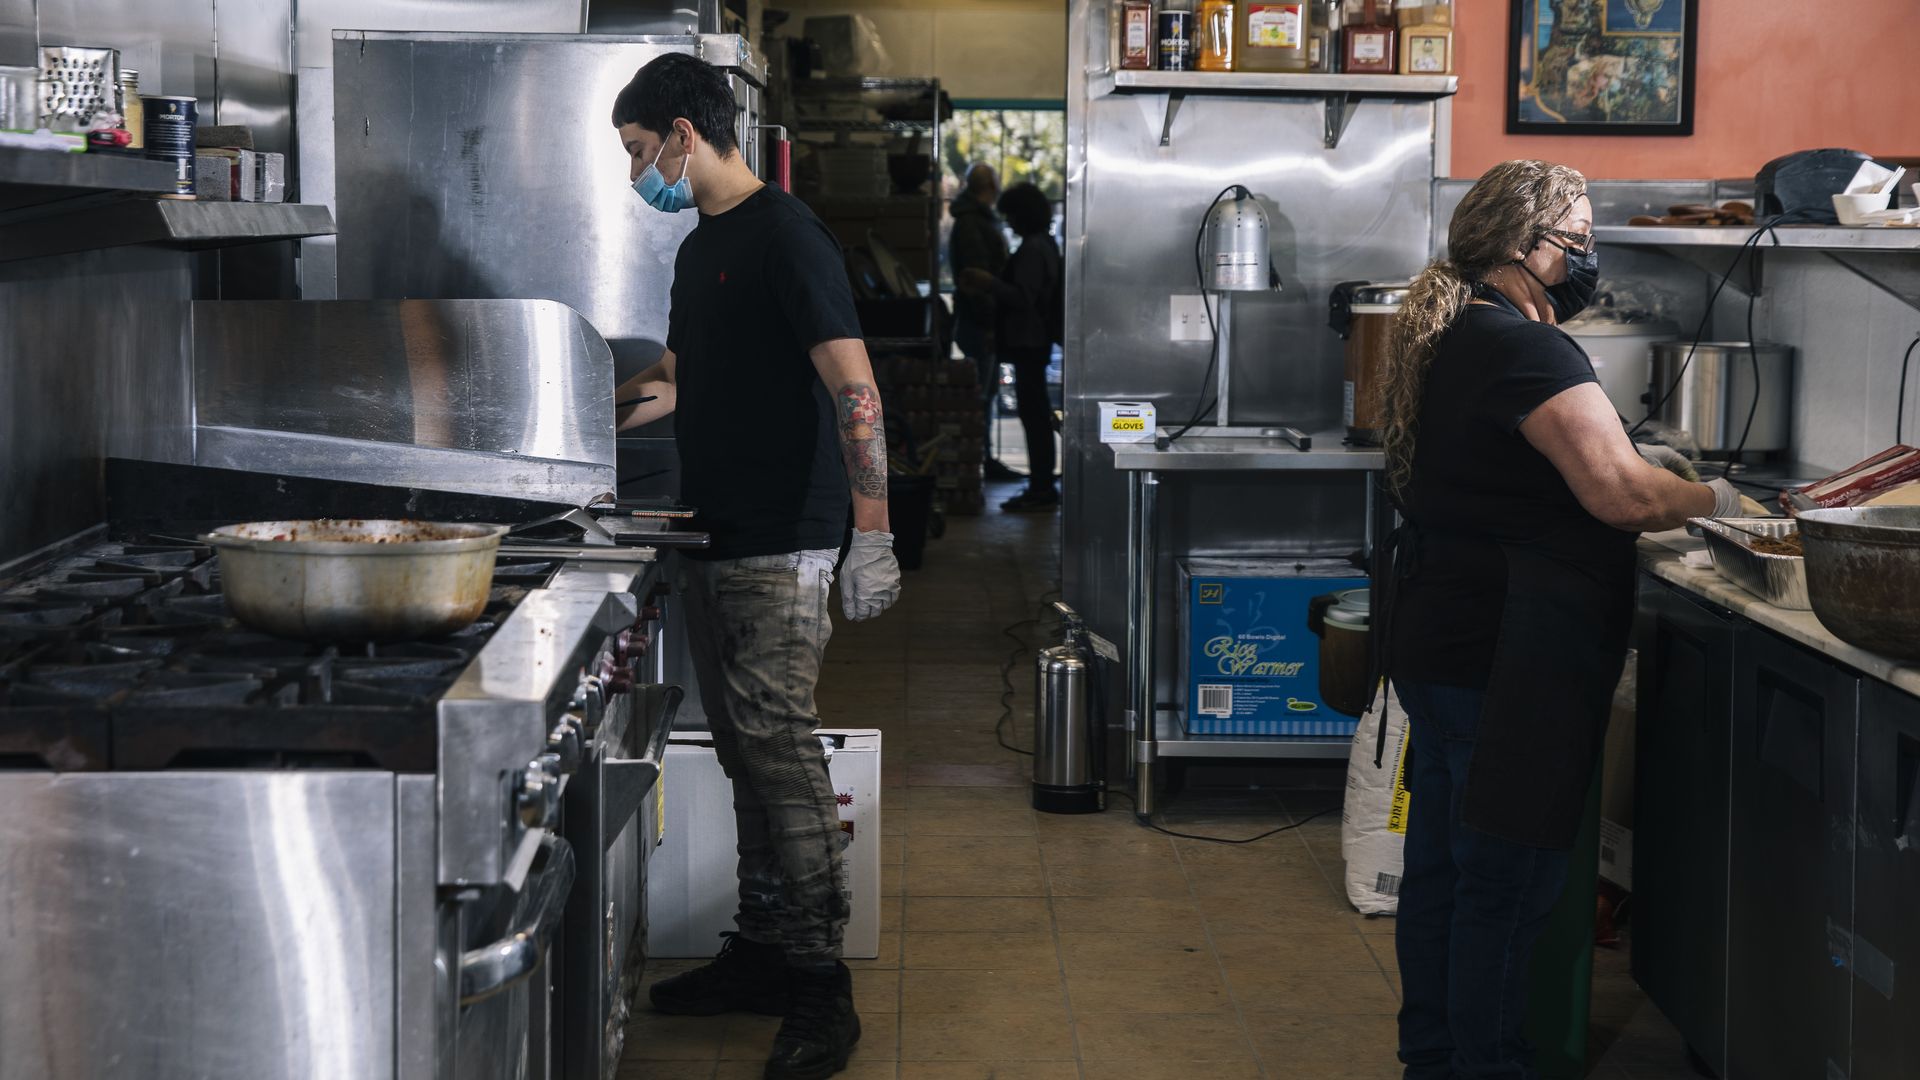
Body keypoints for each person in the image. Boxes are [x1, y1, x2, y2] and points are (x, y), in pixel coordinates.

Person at [1377, 158, 1739, 1080]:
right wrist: (1721, 499)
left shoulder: (1460, 331)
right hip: (1511, 655)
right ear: (1519, 247)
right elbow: (1619, 493)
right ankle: (1487, 1067)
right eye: (1576, 241)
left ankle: (1435, 1059)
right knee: (1506, 881)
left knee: (1448, 874)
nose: (1585, 258)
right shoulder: (1525, 348)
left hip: (1449, 638)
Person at [608, 52, 901, 1080]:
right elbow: (686, 376)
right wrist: (592, 414)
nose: (638, 173)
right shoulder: (702, 250)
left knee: (778, 751)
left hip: (785, 535)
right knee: (742, 752)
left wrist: (872, 534)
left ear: (685, 134)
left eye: (642, 152)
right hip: (713, 528)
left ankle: (823, 990)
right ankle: (766, 949)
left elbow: (855, 393)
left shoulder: (789, 238)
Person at [959, 181, 1061, 512]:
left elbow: (1023, 298)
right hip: (1034, 341)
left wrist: (989, 283)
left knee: (1034, 415)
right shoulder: (1044, 244)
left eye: (1012, 215)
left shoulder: (1033, 249)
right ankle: (1041, 484)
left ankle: (1041, 486)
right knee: (1035, 413)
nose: (1009, 222)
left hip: (1029, 341)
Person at [947, 162, 1019, 481]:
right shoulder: (974, 224)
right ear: (990, 187)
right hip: (981, 322)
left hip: (979, 320)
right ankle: (983, 458)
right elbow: (978, 279)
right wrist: (990, 323)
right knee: (982, 395)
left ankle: (983, 457)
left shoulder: (971, 221)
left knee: (985, 393)